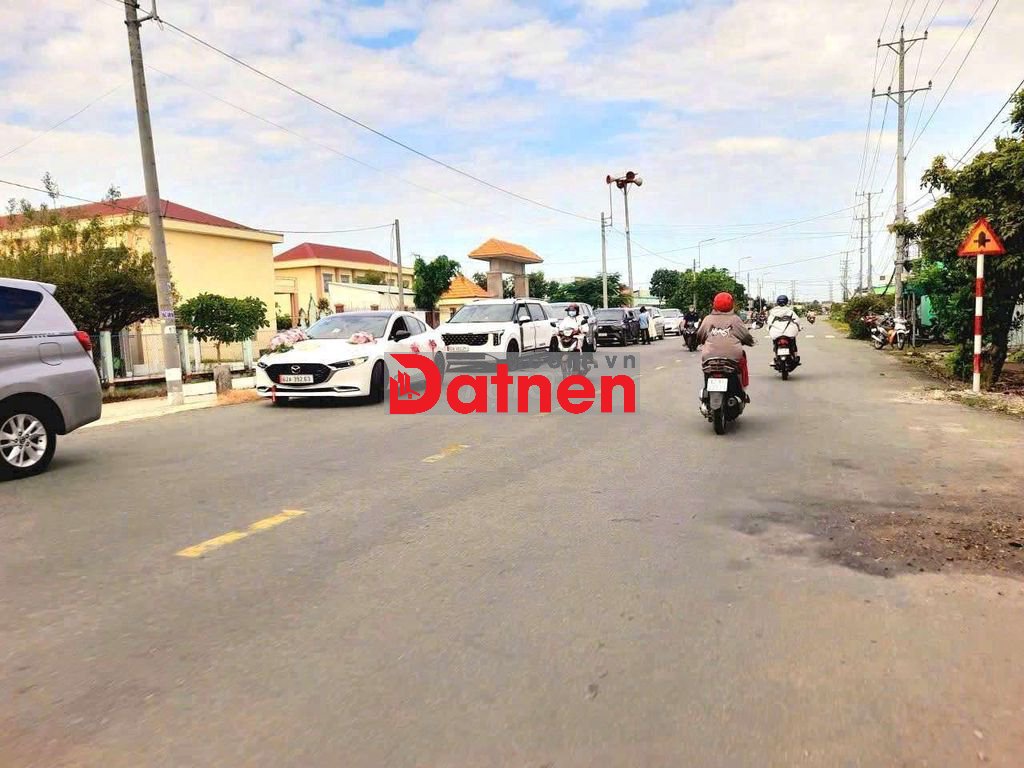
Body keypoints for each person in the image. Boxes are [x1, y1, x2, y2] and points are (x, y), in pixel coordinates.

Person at [696, 292, 754, 397]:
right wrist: (750, 342)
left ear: (714, 304)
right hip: (732, 358)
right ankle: (741, 391)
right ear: (731, 305)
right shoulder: (735, 319)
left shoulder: (708, 319)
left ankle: (706, 392)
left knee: (707, 369)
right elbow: (746, 336)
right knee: (742, 361)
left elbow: (699, 336)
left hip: (709, 358)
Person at [767, 295, 801, 362]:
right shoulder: (790, 311)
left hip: (776, 334)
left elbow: (769, 322)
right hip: (789, 333)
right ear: (786, 302)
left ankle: (776, 357)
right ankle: (795, 356)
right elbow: (797, 320)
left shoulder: (773, 312)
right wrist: (799, 327)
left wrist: (768, 329)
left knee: (775, 343)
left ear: (777, 302)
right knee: (793, 343)